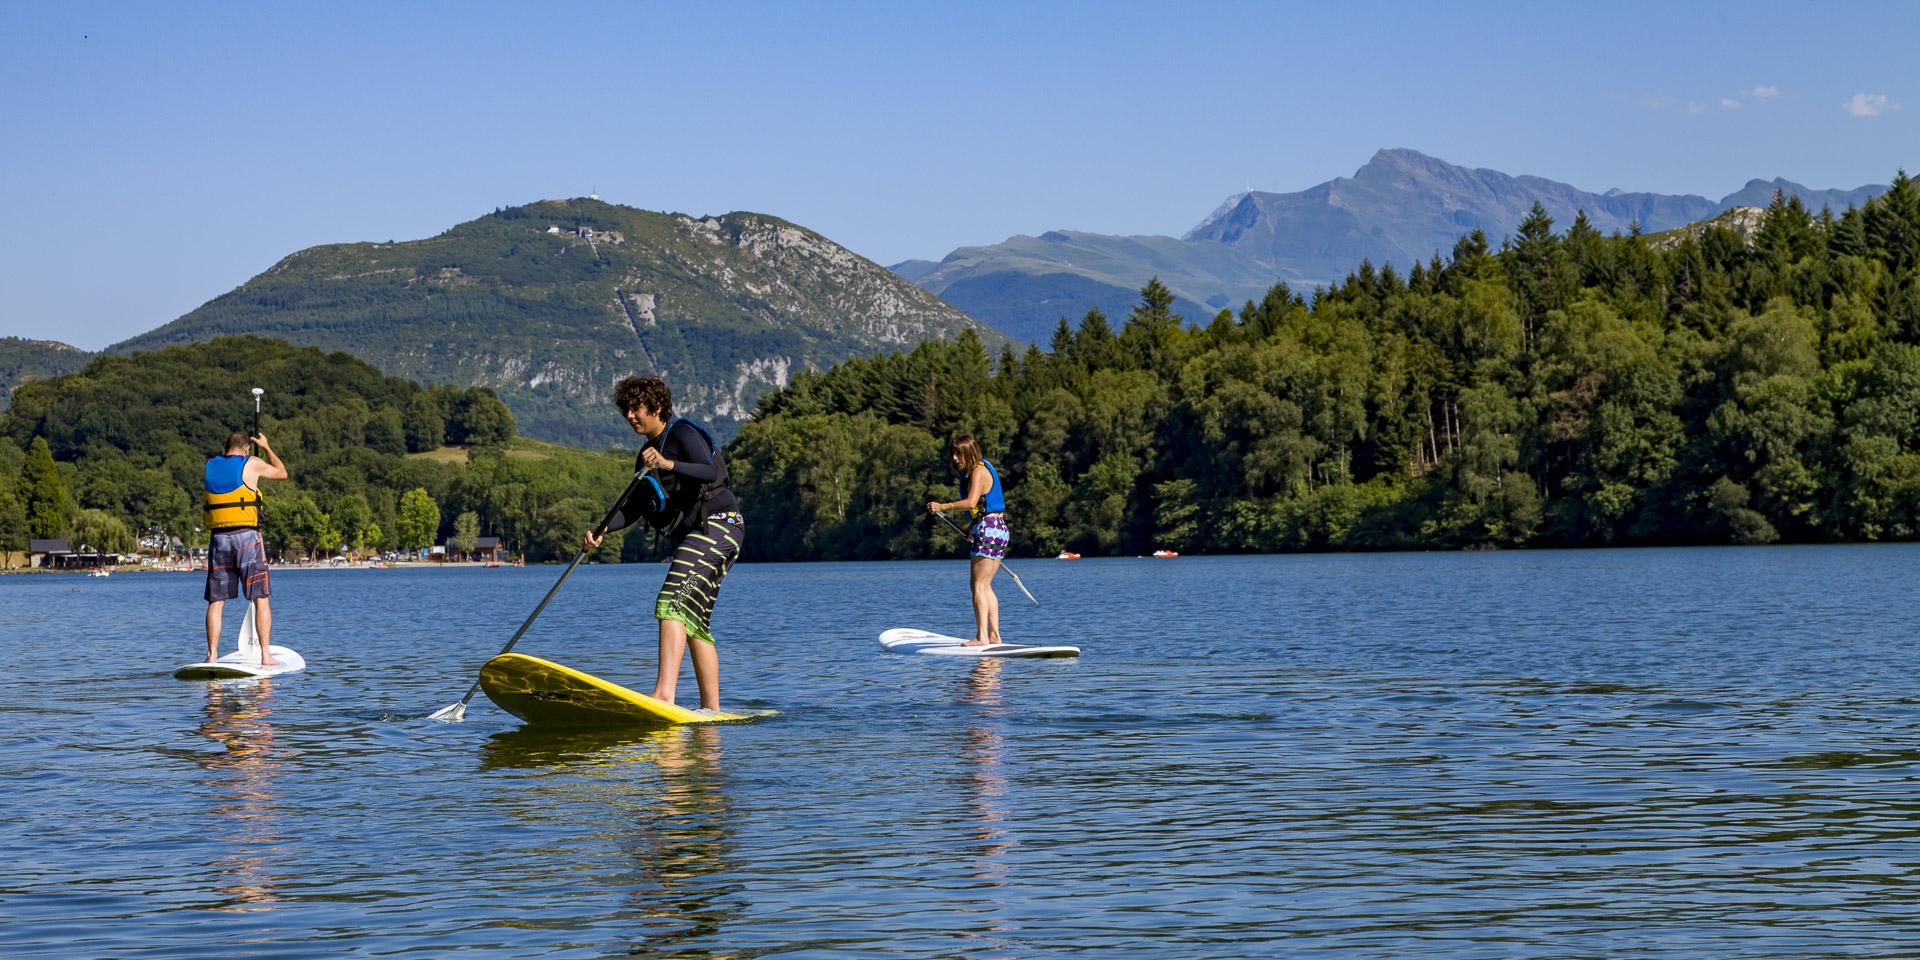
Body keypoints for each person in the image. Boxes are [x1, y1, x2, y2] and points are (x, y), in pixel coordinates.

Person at [584, 375, 743, 712]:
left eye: (635, 408)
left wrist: (668, 463)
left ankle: (663, 695)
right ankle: (711, 713)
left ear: (656, 408)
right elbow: (634, 508)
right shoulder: (644, 456)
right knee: (694, 620)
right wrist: (601, 530)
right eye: (625, 410)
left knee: (671, 602)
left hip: (719, 524)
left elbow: (707, 473)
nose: (629, 415)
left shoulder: (682, 433)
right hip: (704, 533)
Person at [203, 431, 288, 665]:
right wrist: (268, 447)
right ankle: (266, 655)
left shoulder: (210, 465)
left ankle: (211, 656)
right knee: (261, 598)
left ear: (226, 448)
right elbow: (282, 473)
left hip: (219, 538)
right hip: (247, 538)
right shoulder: (251, 463)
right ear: (246, 450)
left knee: (216, 602)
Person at [927, 435, 1007, 647]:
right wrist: (971, 527)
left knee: (978, 585)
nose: (954, 458)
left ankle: (982, 637)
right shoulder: (980, 469)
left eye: (958, 454)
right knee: (986, 585)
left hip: (989, 529)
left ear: (970, 453)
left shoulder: (979, 471)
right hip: (996, 529)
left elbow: (971, 502)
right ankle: (994, 637)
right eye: (953, 454)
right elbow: (981, 507)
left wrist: (942, 507)